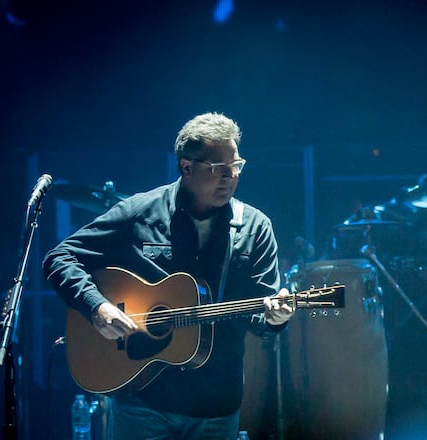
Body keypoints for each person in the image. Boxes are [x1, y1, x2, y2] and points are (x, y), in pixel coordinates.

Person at [43, 112, 295, 440]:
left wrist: (276, 317)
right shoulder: (140, 212)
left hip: (215, 403)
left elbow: (261, 317)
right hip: (141, 400)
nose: (230, 176)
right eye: (218, 168)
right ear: (186, 167)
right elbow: (60, 257)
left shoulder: (255, 227)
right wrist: (97, 307)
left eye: (236, 165)